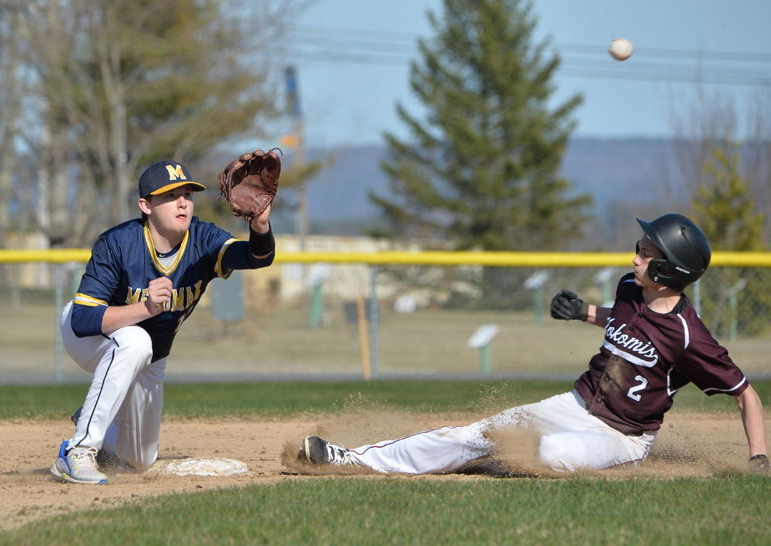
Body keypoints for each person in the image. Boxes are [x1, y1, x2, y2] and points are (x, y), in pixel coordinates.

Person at [300, 214, 769, 474]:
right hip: (573, 403)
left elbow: (746, 394)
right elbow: (626, 324)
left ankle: (501, 462)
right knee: (479, 431)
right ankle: (354, 458)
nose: (635, 257)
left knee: (549, 454)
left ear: (670, 271)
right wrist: (584, 312)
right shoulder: (631, 289)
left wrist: (758, 458)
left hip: (622, 438)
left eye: (646, 253)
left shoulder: (690, 336)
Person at [51, 160, 275, 484]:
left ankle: (95, 417)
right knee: (135, 340)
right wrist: (145, 307)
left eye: (187, 193)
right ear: (146, 205)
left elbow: (256, 257)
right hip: (90, 336)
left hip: (152, 353)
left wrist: (260, 226)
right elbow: (83, 319)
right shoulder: (118, 243)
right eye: (169, 196)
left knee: (139, 458)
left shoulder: (202, 240)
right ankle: (78, 451)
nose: (182, 202)